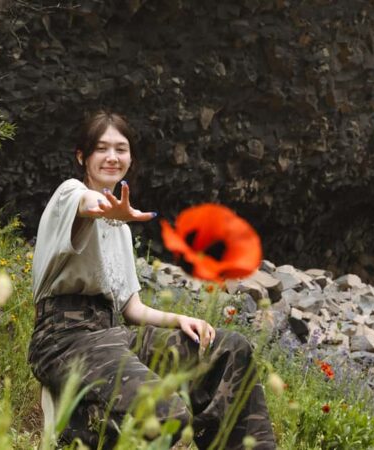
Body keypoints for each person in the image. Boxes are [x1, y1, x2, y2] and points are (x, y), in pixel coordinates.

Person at [28, 111, 276, 449]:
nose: (112, 157)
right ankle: (83, 431)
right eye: (101, 148)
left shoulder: (122, 231)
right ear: (82, 157)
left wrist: (181, 319)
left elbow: (132, 308)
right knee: (167, 412)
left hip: (112, 336)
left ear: (131, 158)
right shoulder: (69, 194)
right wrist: (105, 206)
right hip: (64, 340)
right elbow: (87, 203)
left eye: (121, 149)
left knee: (229, 348)